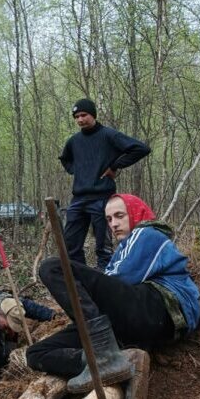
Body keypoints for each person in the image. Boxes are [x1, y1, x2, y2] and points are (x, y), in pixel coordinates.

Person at [26, 194, 200, 393]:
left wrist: (84, 290)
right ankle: (104, 360)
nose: (113, 224)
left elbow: (120, 278)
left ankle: (104, 354)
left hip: (159, 310)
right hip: (132, 326)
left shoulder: (148, 234)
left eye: (119, 216)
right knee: (36, 353)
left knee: (53, 268)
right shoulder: (124, 248)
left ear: (136, 213)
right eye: (109, 219)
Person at [59, 98, 150, 270]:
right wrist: (77, 170)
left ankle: (104, 283)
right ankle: (81, 282)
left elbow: (141, 149)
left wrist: (114, 165)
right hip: (78, 199)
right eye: (76, 117)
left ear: (92, 114)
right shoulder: (74, 141)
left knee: (103, 247)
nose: (80, 119)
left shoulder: (109, 135)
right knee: (71, 245)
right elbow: (65, 160)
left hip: (102, 198)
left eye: (83, 115)